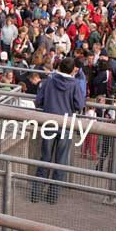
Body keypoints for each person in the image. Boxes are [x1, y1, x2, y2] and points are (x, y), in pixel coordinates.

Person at [32, 57, 85, 203]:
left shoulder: (49, 81)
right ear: (73, 69)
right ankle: (52, 196)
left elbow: (38, 101)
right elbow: (79, 105)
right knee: (60, 161)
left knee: (45, 159)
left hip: (49, 123)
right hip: (66, 125)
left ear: (59, 67)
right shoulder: (74, 84)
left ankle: (35, 194)